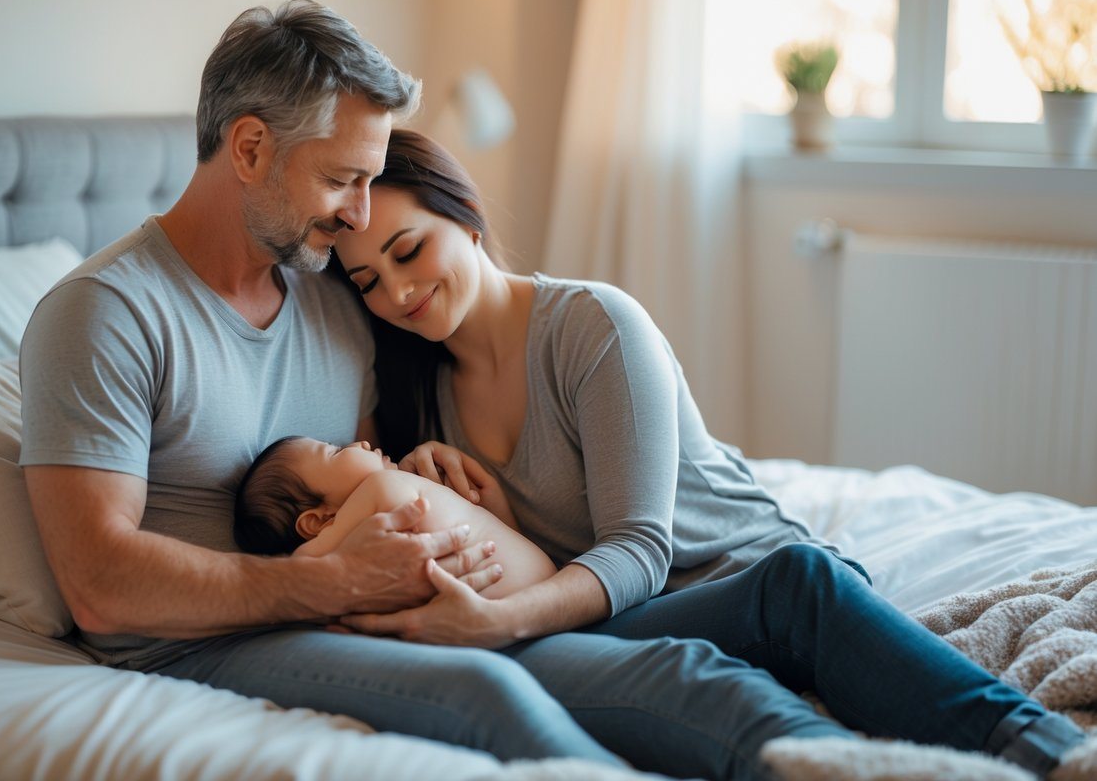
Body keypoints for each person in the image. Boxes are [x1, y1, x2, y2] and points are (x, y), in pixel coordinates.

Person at [325, 128, 1089, 781]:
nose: (397, 292)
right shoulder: (416, 401)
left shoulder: (592, 325)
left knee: (803, 577)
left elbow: (640, 548)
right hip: (624, 626)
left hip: (746, 585)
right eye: (368, 280)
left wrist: (503, 623)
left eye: (408, 250)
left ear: (464, 216)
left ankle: (1047, 754)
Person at [19, 0, 630, 770]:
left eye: (370, 181)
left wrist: (427, 473)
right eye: (342, 179)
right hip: (193, 647)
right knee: (483, 692)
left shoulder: (334, 298)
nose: (360, 215)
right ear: (248, 148)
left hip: (341, 617)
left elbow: (372, 474)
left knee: (631, 668)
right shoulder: (104, 314)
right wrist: (333, 582)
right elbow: (99, 583)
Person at [233, 436, 557, 598]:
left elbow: (307, 565)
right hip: (533, 587)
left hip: (526, 597)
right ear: (317, 521)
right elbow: (304, 565)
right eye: (334, 451)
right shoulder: (380, 487)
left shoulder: (386, 487)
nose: (359, 442)